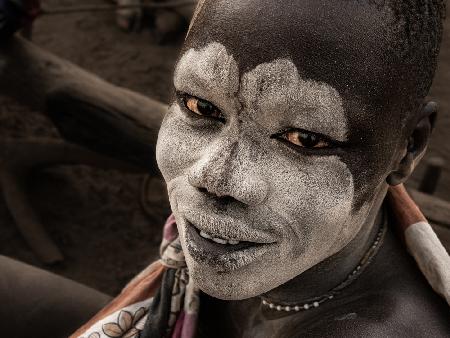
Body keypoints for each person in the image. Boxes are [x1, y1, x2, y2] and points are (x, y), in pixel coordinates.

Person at [1, 1, 449, 337]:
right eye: (200, 107)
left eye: (304, 139)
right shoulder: (299, 251)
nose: (213, 177)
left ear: (407, 148)